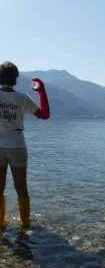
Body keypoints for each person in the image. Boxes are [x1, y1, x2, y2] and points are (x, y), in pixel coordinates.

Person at [0, 61, 50, 228]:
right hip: (17, 145)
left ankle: (0, 223)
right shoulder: (22, 98)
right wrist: (42, 92)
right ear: (16, 78)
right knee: (21, 187)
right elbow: (44, 115)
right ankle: (24, 224)